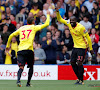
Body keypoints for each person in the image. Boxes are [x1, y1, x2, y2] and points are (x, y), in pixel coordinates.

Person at [6, 11, 50, 87]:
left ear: (26, 22)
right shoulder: (34, 27)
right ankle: (28, 83)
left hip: (20, 50)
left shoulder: (21, 28)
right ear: (33, 22)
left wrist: (7, 45)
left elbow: (11, 35)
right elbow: (46, 24)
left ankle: (18, 80)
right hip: (29, 50)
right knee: (31, 67)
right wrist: (48, 15)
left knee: (21, 67)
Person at [56, 8, 93, 85]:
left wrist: (91, 48)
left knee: (79, 63)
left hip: (82, 47)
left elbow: (88, 38)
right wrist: (57, 12)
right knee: (72, 62)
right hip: (75, 46)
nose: (71, 23)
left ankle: (81, 80)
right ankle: (79, 78)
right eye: (71, 21)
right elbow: (59, 19)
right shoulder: (68, 23)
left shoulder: (81, 27)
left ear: (76, 21)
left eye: (73, 22)